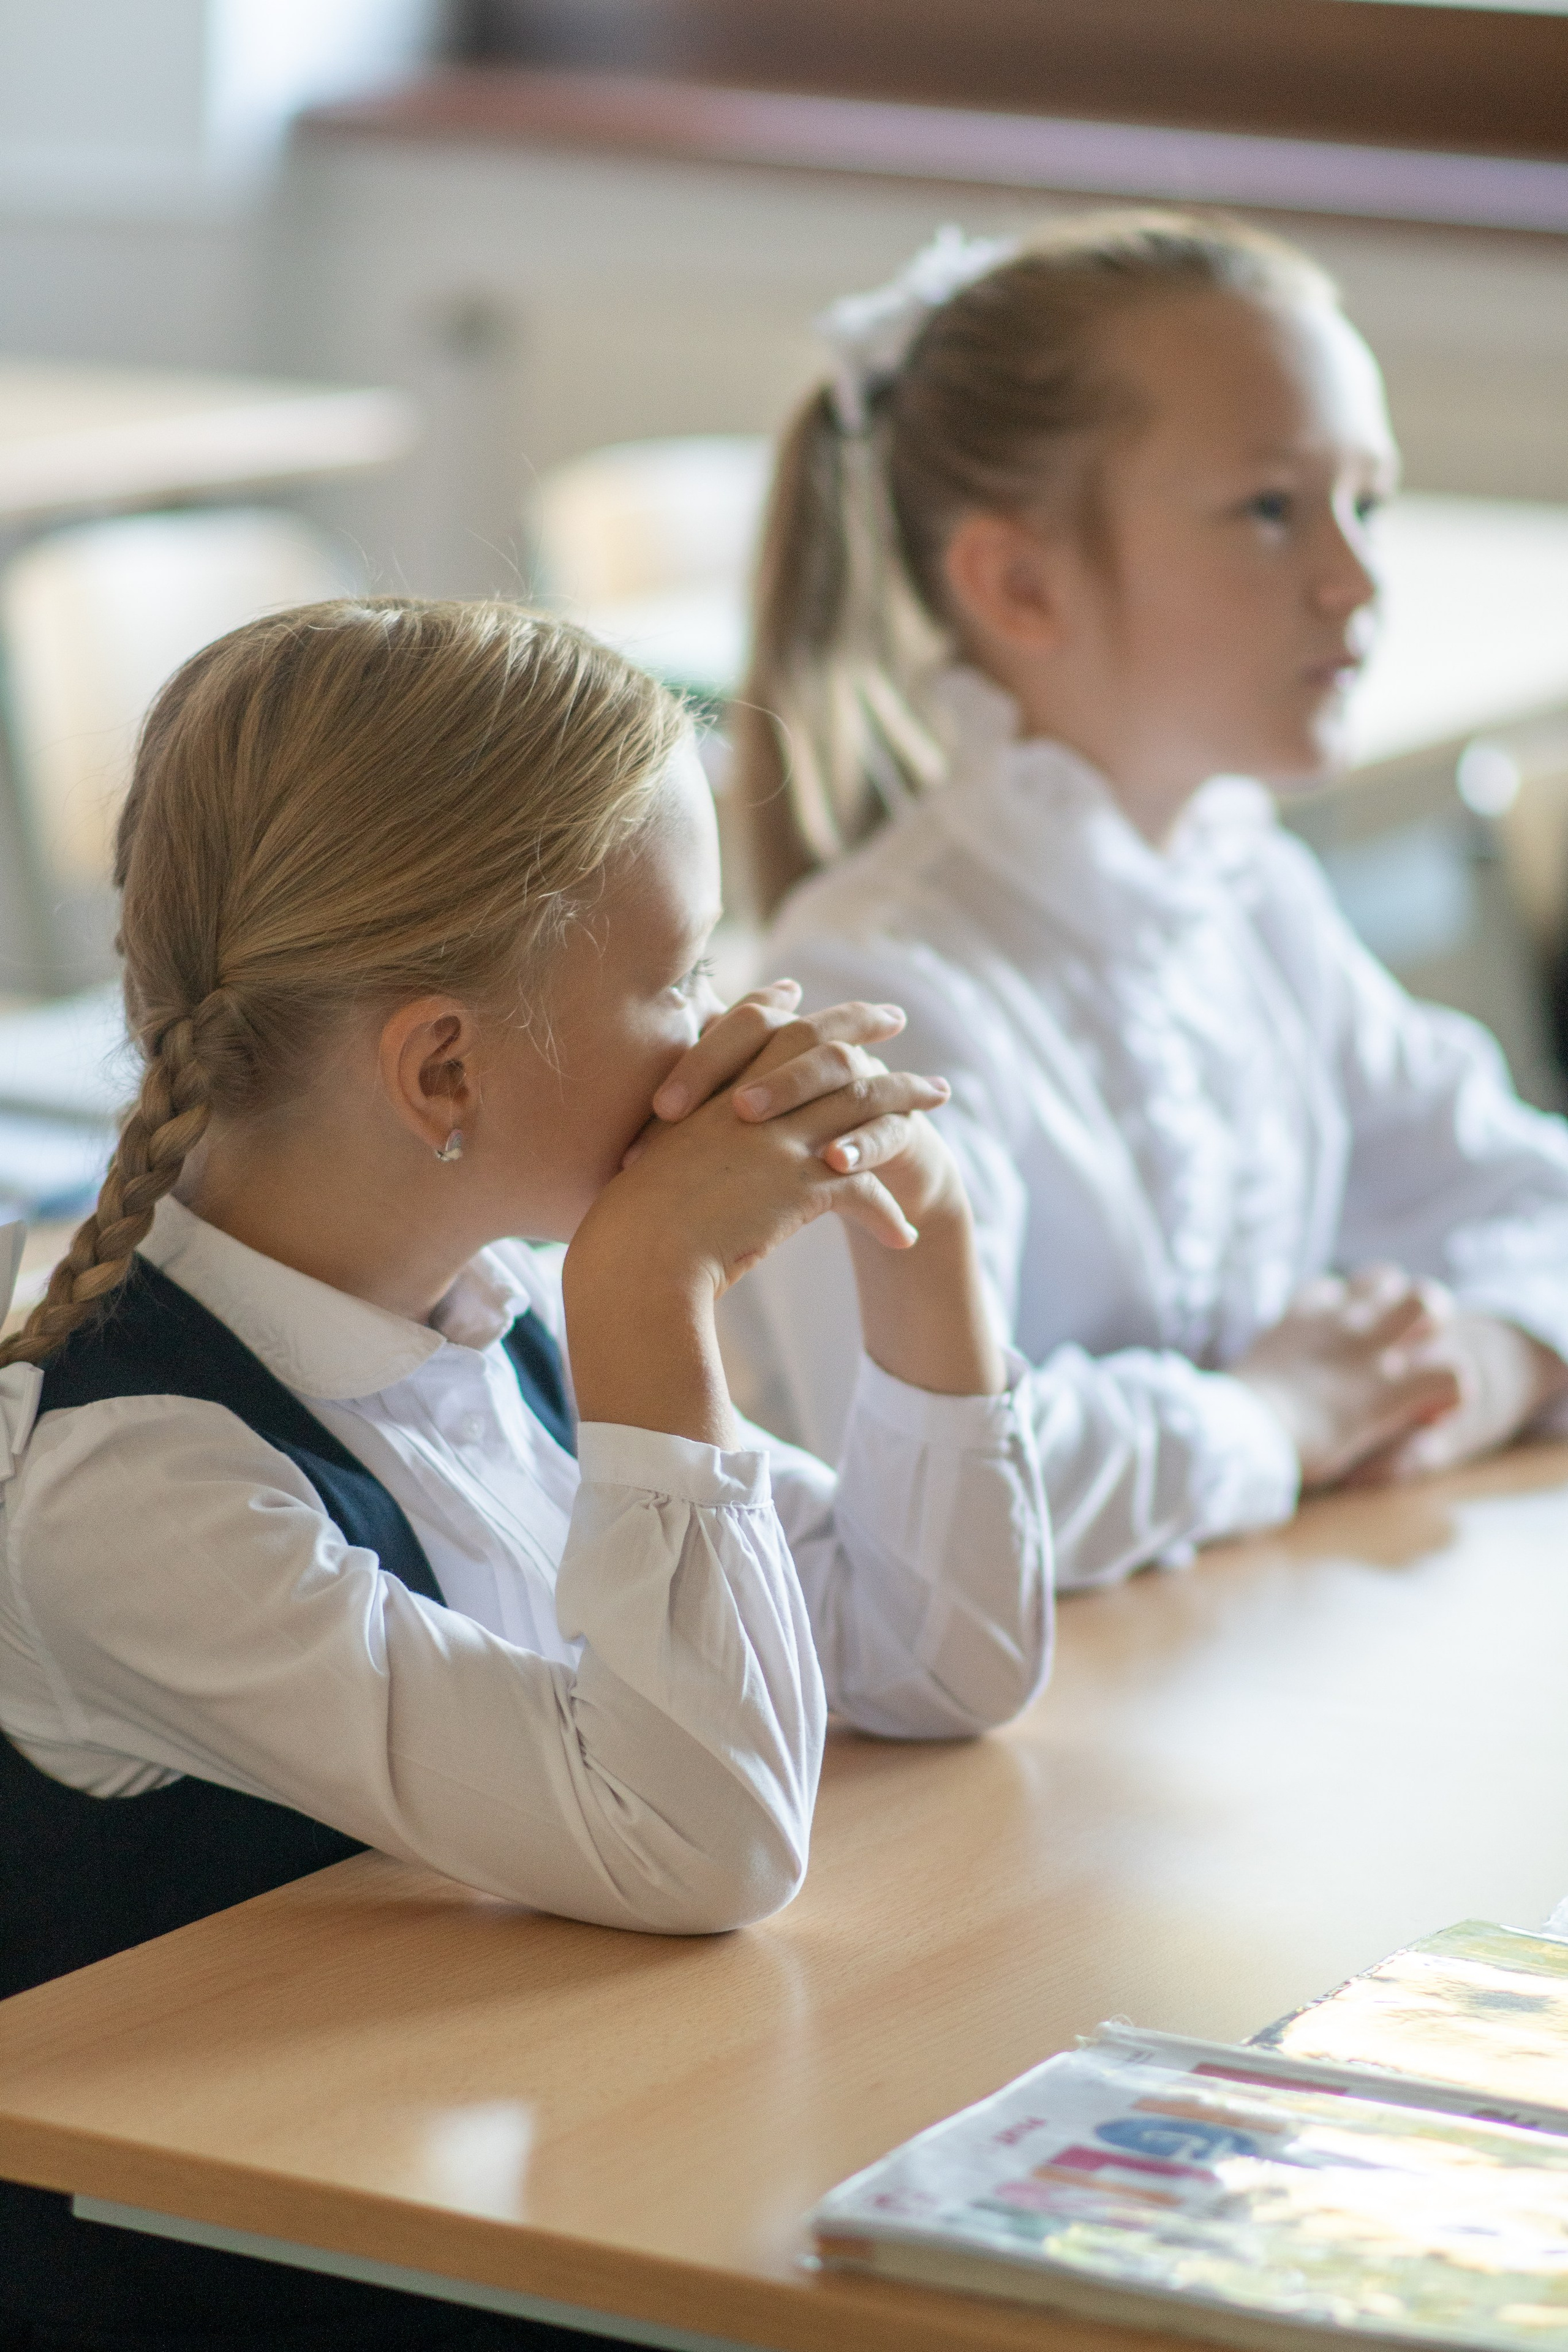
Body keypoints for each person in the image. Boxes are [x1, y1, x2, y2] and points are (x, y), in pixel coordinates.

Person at [0, 600, 1050, 2352]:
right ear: (441, 1069)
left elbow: (934, 1662)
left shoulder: (476, 1324)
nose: (739, 1024)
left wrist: (924, 1242)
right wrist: (655, 1301)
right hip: (256, 2289)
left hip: (496, 2180)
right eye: (684, 978)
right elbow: (705, 1839)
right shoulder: (137, 1492)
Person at [727, 210, 1568, 1589]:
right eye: (1268, 508)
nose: (1353, 580)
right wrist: (1270, 1418)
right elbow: (929, 1513)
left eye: (1367, 504)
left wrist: (1487, 1353)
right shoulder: (877, 993)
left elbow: (1524, 1187)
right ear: (1018, 582)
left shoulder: (1248, 900)